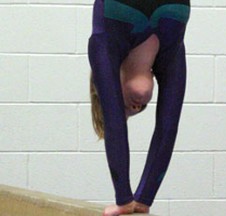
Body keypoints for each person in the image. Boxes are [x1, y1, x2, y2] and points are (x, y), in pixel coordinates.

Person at [88, 0, 191, 215]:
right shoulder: (171, 55)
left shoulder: (103, 46)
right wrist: (144, 199)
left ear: (111, 87)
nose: (135, 107)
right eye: (139, 109)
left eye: (124, 107)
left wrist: (123, 198)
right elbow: (168, 127)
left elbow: (114, 123)